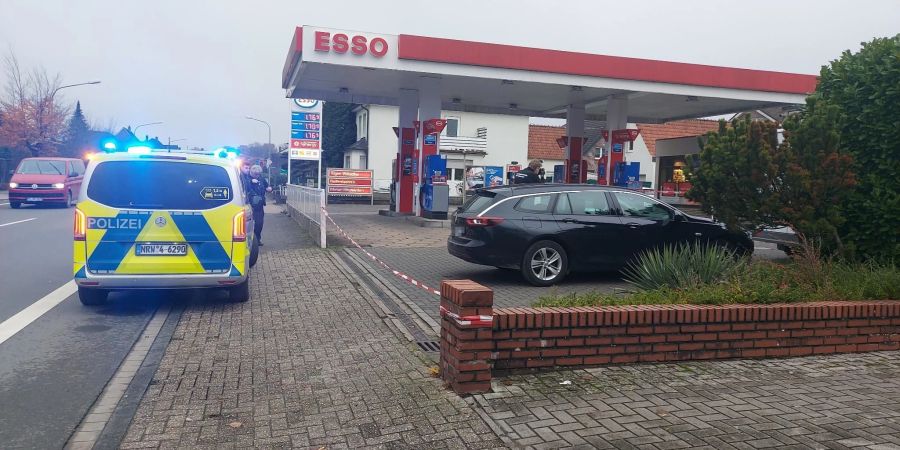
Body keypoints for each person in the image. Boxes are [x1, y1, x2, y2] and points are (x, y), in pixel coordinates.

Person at [248, 165, 272, 245]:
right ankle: (249, 240)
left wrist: (269, 188)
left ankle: (257, 240)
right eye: (255, 174)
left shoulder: (261, 178)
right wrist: (250, 182)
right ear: (251, 172)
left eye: (258, 174)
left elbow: (267, 186)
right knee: (249, 224)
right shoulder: (246, 178)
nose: (257, 176)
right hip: (249, 205)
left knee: (259, 223)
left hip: (259, 205)